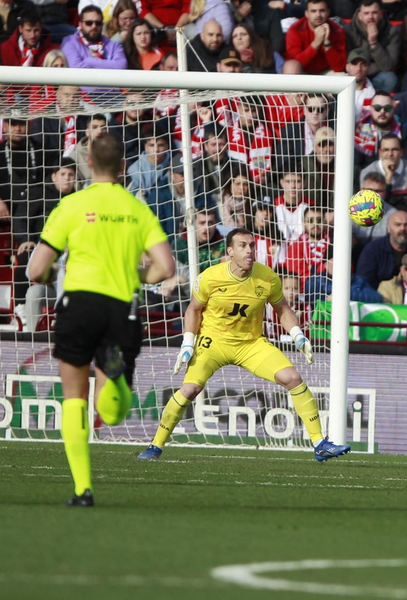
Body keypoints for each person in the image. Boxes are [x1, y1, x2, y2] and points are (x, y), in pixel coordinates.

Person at [24, 134, 176, 506]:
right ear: (124, 166)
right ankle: (117, 381)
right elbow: (166, 268)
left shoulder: (72, 204)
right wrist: (135, 274)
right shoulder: (137, 208)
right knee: (112, 410)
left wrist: (51, 274)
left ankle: (82, 489)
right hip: (120, 306)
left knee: (74, 397)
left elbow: (36, 270)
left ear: (88, 163)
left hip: (78, 303)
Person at [139, 226, 348, 464]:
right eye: (242, 246)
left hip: (251, 343)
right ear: (230, 251)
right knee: (190, 389)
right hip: (213, 342)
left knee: (293, 378)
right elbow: (193, 310)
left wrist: (298, 335)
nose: (249, 250)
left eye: (251, 245)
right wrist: (188, 343)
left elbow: (282, 309)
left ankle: (320, 444)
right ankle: (156, 445)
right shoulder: (210, 277)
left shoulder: (267, 277)